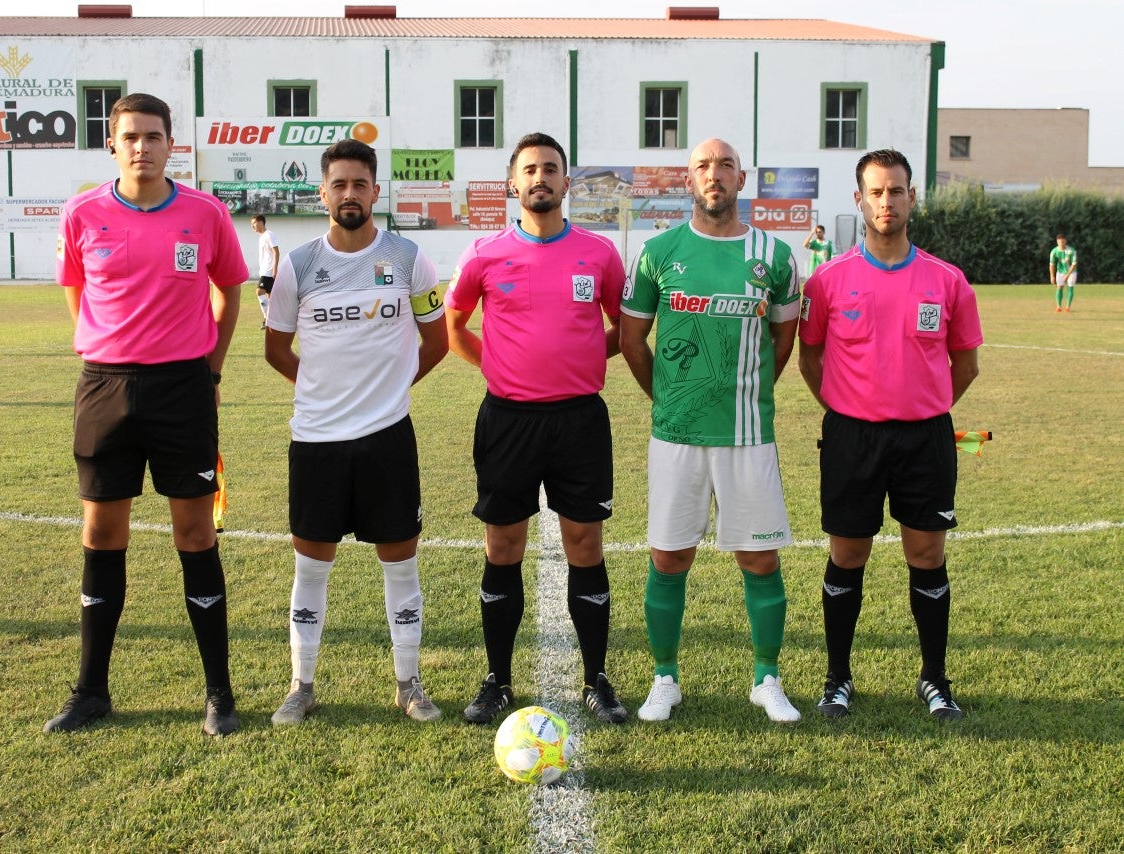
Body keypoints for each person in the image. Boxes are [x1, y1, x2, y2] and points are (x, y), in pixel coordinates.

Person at [46, 93, 247, 736]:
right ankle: (90, 692)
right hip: (105, 387)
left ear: (170, 144)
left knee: (196, 534)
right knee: (102, 534)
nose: (142, 147)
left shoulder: (205, 213)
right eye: (130, 136)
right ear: (112, 144)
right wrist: (106, 349)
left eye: (153, 136)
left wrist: (210, 373)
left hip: (183, 389)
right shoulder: (82, 213)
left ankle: (219, 693)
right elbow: (77, 292)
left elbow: (229, 292)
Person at [445, 131, 629, 725]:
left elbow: (624, 328)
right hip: (508, 420)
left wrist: (583, 358)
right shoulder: (484, 254)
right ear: (513, 183)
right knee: (504, 546)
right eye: (529, 170)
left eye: (550, 168)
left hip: (579, 421)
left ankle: (597, 679)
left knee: (585, 544)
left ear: (566, 182)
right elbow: (454, 326)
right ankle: (497, 680)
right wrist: (497, 366)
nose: (540, 178)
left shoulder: (599, 253)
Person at [263, 138, 449, 725]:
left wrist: (388, 389)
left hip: (387, 437)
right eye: (339, 184)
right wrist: (324, 389)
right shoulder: (297, 266)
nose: (350, 194)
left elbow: (437, 341)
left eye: (359, 184)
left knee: (401, 562)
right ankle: (301, 684)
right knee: (311, 566)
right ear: (323, 193)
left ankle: (409, 683)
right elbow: (276, 349)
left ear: (375, 192)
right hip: (316, 440)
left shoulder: (409, 258)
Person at [619, 137, 802, 725]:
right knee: (669, 556)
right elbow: (630, 339)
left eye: (725, 165)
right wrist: (670, 398)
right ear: (688, 179)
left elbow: (784, 339)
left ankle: (766, 678)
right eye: (703, 165)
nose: (714, 174)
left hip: (748, 434)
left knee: (760, 559)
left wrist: (746, 391)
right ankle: (664, 677)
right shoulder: (658, 253)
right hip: (677, 434)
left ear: (742, 179)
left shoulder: (775, 255)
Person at [797, 148, 982, 721]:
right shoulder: (828, 280)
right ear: (860, 200)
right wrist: (847, 409)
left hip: (926, 438)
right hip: (852, 437)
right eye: (876, 192)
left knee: (926, 553)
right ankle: (837, 678)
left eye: (896, 191)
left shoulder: (947, 280)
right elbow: (809, 356)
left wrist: (923, 406)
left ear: (911, 198)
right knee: (847, 553)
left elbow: (966, 365)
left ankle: (934, 679)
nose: (886, 202)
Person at [251, 214, 279, 328]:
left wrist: (275, 269)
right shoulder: (262, 237)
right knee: (270, 297)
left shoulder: (269, 235)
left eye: (254, 223)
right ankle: (273, 320)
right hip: (264, 271)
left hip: (268, 271)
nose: (252, 226)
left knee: (259, 291)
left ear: (261, 222)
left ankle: (268, 320)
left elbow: (276, 251)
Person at [1049, 233, 1078, 312]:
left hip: (1071, 272)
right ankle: (1058, 306)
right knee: (1059, 287)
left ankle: (1068, 307)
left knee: (1070, 287)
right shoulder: (1054, 251)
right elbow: (1051, 265)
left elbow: (1074, 264)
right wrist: (1052, 276)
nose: (1061, 244)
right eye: (1059, 242)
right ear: (1057, 242)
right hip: (1060, 271)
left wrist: (1067, 275)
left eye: (1062, 242)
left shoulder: (1071, 251)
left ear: (1065, 241)